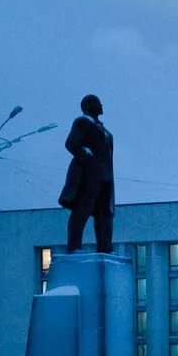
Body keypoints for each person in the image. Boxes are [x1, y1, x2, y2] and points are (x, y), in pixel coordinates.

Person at [59, 94, 114, 254]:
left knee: (104, 217)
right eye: (97, 102)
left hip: (105, 180)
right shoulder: (82, 122)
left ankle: (105, 250)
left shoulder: (104, 130)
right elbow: (71, 143)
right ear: (88, 106)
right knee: (81, 212)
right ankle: (74, 248)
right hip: (88, 177)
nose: (101, 105)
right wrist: (88, 157)